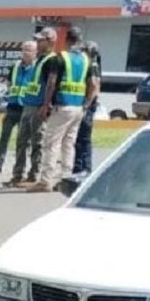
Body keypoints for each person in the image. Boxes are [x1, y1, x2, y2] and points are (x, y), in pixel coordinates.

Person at [28, 27, 99, 193]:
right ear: (79, 40)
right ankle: (66, 179)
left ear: (66, 40)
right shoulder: (86, 59)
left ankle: (45, 181)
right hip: (78, 107)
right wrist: (86, 105)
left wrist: (46, 104)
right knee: (69, 144)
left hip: (62, 106)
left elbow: (52, 82)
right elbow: (94, 84)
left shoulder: (60, 58)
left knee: (51, 143)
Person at [5, 28, 56, 187]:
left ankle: (33, 174)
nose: (38, 43)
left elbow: (51, 84)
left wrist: (46, 104)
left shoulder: (51, 60)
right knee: (21, 141)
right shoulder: (39, 61)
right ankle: (17, 174)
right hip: (28, 104)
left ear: (50, 41)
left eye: (41, 40)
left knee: (37, 142)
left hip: (39, 107)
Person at [0, 41, 37, 173]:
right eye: (24, 50)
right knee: (4, 136)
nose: (26, 53)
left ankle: (19, 166)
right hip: (12, 106)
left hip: (27, 107)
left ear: (35, 53)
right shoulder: (15, 66)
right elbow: (10, 83)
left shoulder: (37, 68)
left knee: (23, 140)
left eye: (29, 50)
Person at [73, 41, 102, 176]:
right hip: (87, 105)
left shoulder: (93, 66)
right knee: (81, 139)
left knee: (83, 139)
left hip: (87, 106)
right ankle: (81, 168)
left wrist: (86, 105)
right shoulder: (92, 65)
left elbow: (95, 87)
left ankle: (82, 168)